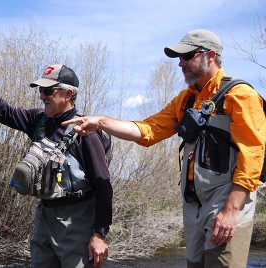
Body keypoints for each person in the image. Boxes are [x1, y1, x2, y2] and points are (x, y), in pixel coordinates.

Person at [63, 29, 266, 267]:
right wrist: (100, 122)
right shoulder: (185, 99)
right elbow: (148, 130)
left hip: (227, 203)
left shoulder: (240, 95)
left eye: (187, 56)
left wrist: (231, 210)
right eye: (179, 57)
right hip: (194, 207)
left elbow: (253, 155)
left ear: (210, 56)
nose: (180, 63)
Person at [0, 59, 113, 268]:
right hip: (44, 217)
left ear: (68, 94)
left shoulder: (86, 133)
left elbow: (103, 184)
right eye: (41, 90)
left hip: (78, 219)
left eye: (49, 91)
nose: (42, 96)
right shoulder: (38, 119)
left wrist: (99, 233)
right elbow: (5, 113)